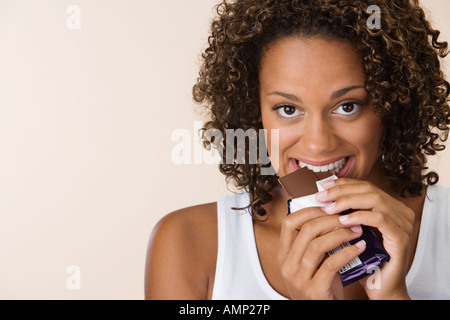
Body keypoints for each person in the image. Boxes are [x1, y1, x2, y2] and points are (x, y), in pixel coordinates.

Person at [145, 0, 450, 300]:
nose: (318, 143)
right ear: (255, 111)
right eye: (288, 109)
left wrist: (392, 296)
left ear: (393, 103)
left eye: (348, 106)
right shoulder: (189, 244)